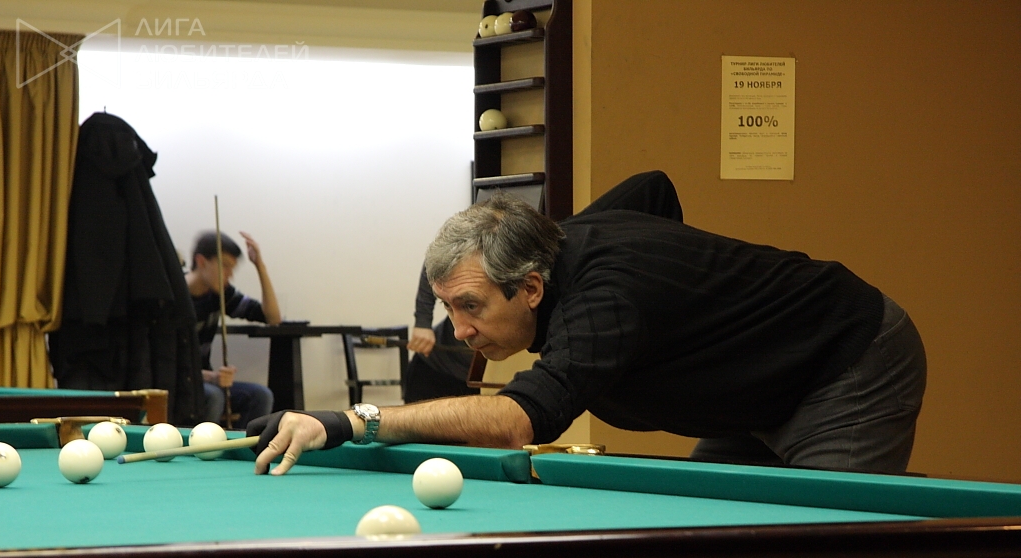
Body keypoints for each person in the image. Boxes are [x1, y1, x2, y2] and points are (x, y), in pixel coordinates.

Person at [248, 171, 926, 476]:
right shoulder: (556, 242)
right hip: (748, 394)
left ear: (531, 288)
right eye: (449, 307)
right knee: (712, 539)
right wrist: (685, 308)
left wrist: (349, 421)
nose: (459, 330)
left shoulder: (603, 305)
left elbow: (517, 422)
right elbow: (654, 186)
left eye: (471, 306)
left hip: (845, 361)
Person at [186, 230, 281, 428]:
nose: (230, 274)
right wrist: (212, 377)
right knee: (214, 396)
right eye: (225, 266)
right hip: (179, 383)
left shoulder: (220, 293)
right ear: (201, 262)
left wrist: (260, 266)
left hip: (204, 381)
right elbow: (168, 365)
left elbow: (272, 317)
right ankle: (204, 446)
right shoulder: (175, 297)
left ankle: (244, 447)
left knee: (261, 396)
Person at [404, 265, 479, 403]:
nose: (461, 333)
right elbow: (434, 262)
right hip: (438, 368)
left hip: (489, 377)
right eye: (446, 304)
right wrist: (423, 322)